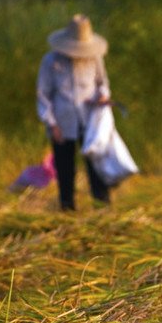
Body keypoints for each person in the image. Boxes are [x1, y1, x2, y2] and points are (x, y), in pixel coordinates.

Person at [36, 14, 112, 211]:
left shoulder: (94, 58)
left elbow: (102, 83)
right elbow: (43, 95)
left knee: (96, 167)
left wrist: (103, 96)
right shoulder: (51, 61)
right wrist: (51, 124)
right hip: (62, 122)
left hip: (90, 120)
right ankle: (67, 209)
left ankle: (102, 209)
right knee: (65, 168)